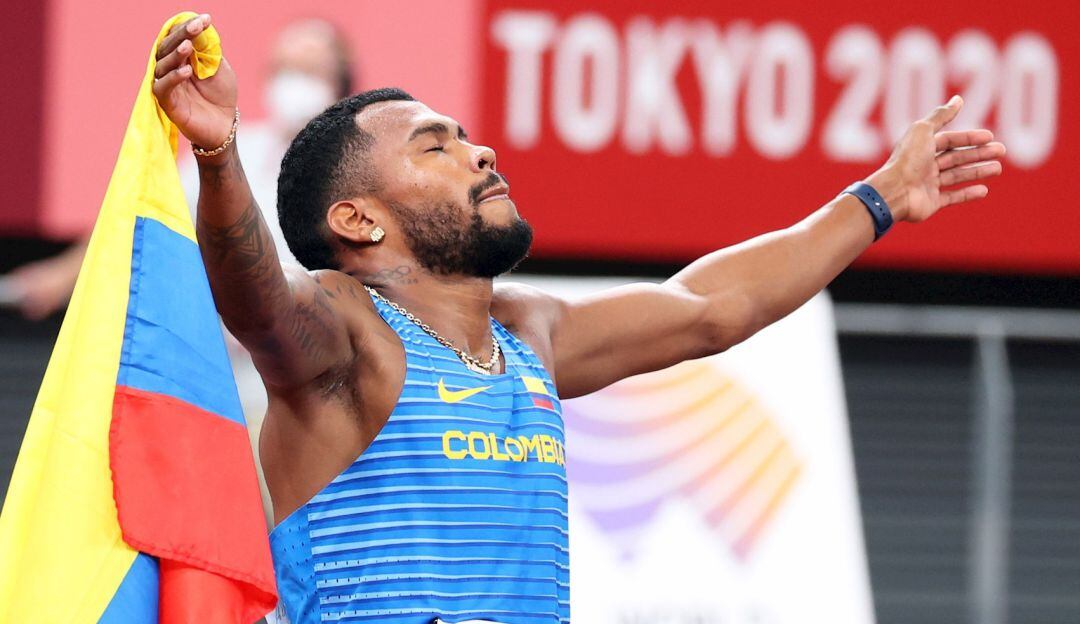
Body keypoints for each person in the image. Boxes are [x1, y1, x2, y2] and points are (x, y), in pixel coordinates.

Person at [153, 13, 1005, 624]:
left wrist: (877, 198)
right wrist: (221, 152)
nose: (480, 152)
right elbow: (255, 298)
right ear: (359, 221)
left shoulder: (529, 335)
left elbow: (710, 307)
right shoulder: (346, 332)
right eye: (434, 146)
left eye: (465, 136)